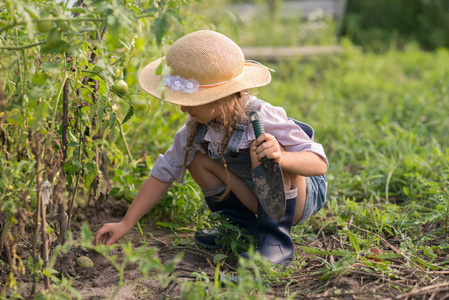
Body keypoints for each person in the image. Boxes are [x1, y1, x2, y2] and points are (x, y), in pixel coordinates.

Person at [95, 30, 328, 268]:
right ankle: (241, 230)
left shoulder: (261, 116)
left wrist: (282, 157)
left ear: (221, 96)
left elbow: (319, 162)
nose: (183, 109)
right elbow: (163, 173)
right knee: (195, 159)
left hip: (296, 200)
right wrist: (125, 224)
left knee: (265, 145)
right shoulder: (195, 129)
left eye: (191, 102)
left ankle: (277, 243)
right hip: (257, 197)